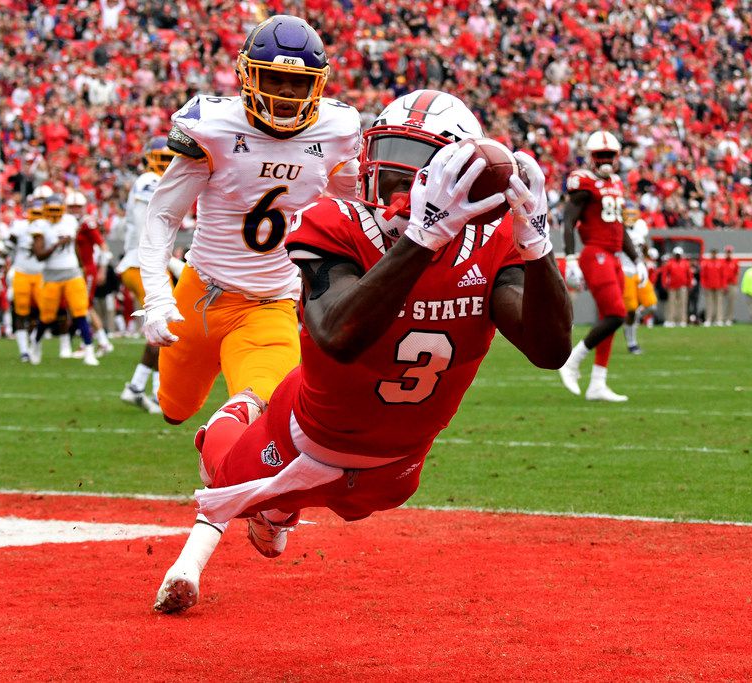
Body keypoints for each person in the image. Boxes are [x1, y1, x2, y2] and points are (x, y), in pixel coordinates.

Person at [152, 90, 572, 614]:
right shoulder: (336, 221)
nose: (399, 172)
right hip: (304, 433)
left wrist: (537, 247)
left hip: (397, 465)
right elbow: (338, 335)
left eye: (422, 159)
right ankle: (236, 415)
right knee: (224, 472)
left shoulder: (492, 242)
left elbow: (550, 350)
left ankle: (279, 507)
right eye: (392, 150)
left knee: (348, 506)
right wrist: (422, 239)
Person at [139, 15, 362, 424]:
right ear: (246, 74)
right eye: (275, 78)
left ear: (320, 83)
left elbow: (354, 212)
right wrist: (156, 295)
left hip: (272, 303)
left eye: (300, 81)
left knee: (256, 413)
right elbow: (164, 213)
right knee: (174, 408)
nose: (288, 92)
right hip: (200, 295)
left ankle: (228, 481)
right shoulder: (213, 125)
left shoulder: (337, 129)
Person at [558, 131, 645, 402]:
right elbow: (568, 221)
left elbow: (620, 228)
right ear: (592, 157)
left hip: (614, 255)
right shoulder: (584, 182)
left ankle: (598, 383)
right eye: (601, 155)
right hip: (594, 253)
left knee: (611, 317)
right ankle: (573, 360)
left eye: (610, 155)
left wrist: (637, 259)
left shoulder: (617, 183)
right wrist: (570, 258)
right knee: (617, 314)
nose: (606, 160)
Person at [119, 136, 177, 414]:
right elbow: (149, 224)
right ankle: (150, 391)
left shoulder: (159, 181)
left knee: (162, 327)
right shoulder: (147, 180)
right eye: (162, 159)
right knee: (161, 324)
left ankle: (141, 388)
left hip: (147, 262)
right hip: (142, 263)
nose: (166, 165)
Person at [29, 192, 99, 365]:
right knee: (46, 316)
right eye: (50, 210)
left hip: (72, 272)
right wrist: (56, 245)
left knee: (80, 312)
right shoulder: (39, 225)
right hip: (51, 275)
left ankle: (89, 351)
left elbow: (74, 247)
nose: (53, 214)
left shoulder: (69, 221)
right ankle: (36, 344)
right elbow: (39, 255)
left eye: (56, 210)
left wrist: (81, 267)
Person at [67, 190, 115, 357]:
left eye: (77, 207)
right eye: (71, 207)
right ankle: (102, 341)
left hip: (87, 269)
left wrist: (101, 269)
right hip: (76, 270)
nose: (74, 210)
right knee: (84, 306)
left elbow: (104, 247)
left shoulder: (87, 223)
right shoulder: (67, 223)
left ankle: (94, 342)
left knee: (84, 306)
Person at [8, 195, 45, 361]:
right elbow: (8, 245)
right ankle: (24, 350)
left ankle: (34, 343)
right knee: (21, 313)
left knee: (44, 313)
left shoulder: (47, 227)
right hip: (22, 271)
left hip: (41, 274)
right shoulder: (20, 226)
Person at [619, 207, 656, 353]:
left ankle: (632, 320)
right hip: (626, 271)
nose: (630, 217)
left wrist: (647, 254)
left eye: (632, 214)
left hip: (639, 271)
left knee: (651, 305)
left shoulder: (641, 227)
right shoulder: (619, 229)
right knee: (631, 309)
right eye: (628, 214)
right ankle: (632, 343)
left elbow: (642, 246)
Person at [660, 246, 692, 327]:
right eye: (676, 254)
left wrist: (689, 284)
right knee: (671, 304)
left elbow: (689, 275)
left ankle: (682, 320)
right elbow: (665, 274)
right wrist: (664, 284)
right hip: (672, 286)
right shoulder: (670, 263)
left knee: (682, 304)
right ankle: (670, 320)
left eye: (679, 254)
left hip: (682, 286)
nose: (678, 256)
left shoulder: (685, 263)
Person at [700, 248, 725, 326]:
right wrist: (703, 285)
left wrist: (723, 285)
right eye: (712, 253)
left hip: (718, 286)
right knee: (709, 303)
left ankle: (719, 319)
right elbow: (703, 275)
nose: (713, 255)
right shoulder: (706, 263)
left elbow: (723, 276)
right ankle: (709, 319)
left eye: (715, 253)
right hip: (709, 286)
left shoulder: (720, 263)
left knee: (719, 303)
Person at [721, 245, 739, 325]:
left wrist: (735, 283)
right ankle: (721, 318)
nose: (728, 254)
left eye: (729, 252)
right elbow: (721, 275)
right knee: (721, 303)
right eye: (727, 252)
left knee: (731, 303)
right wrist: (723, 285)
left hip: (732, 284)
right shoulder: (722, 262)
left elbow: (736, 273)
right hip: (723, 285)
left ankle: (729, 319)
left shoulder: (735, 262)